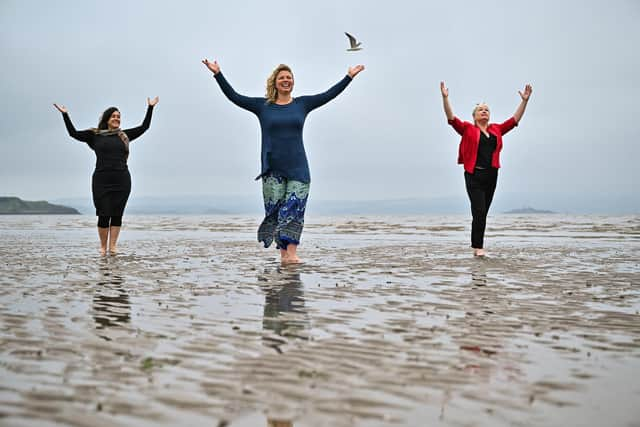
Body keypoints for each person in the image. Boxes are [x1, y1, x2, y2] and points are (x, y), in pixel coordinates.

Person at [202, 59, 364, 263]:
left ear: (293, 82)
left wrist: (348, 77)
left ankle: (292, 254)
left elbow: (328, 95)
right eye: (282, 78)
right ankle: (284, 255)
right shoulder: (263, 107)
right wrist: (218, 74)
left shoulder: (302, 104)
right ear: (275, 82)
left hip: (298, 168)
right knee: (277, 213)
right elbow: (234, 97)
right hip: (272, 170)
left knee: (294, 210)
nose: (286, 80)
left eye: (289, 77)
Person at [54, 98, 159, 255]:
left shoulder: (123, 135)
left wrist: (150, 108)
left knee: (117, 213)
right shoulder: (94, 135)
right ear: (107, 119)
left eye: (118, 116)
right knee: (103, 214)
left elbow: (144, 127)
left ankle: (113, 247)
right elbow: (73, 133)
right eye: (113, 116)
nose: (116, 118)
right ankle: (103, 247)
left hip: (122, 179)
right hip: (101, 180)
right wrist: (65, 115)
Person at [440, 81, 532, 257]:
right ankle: (478, 248)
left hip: (491, 175)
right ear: (474, 116)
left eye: (487, 109)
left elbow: (514, 121)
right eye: (481, 109)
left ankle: (477, 246)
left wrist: (524, 101)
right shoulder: (467, 129)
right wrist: (445, 98)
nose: (484, 111)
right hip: (474, 175)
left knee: (482, 213)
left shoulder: (496, 129)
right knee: (479, 210)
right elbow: (451, 118)